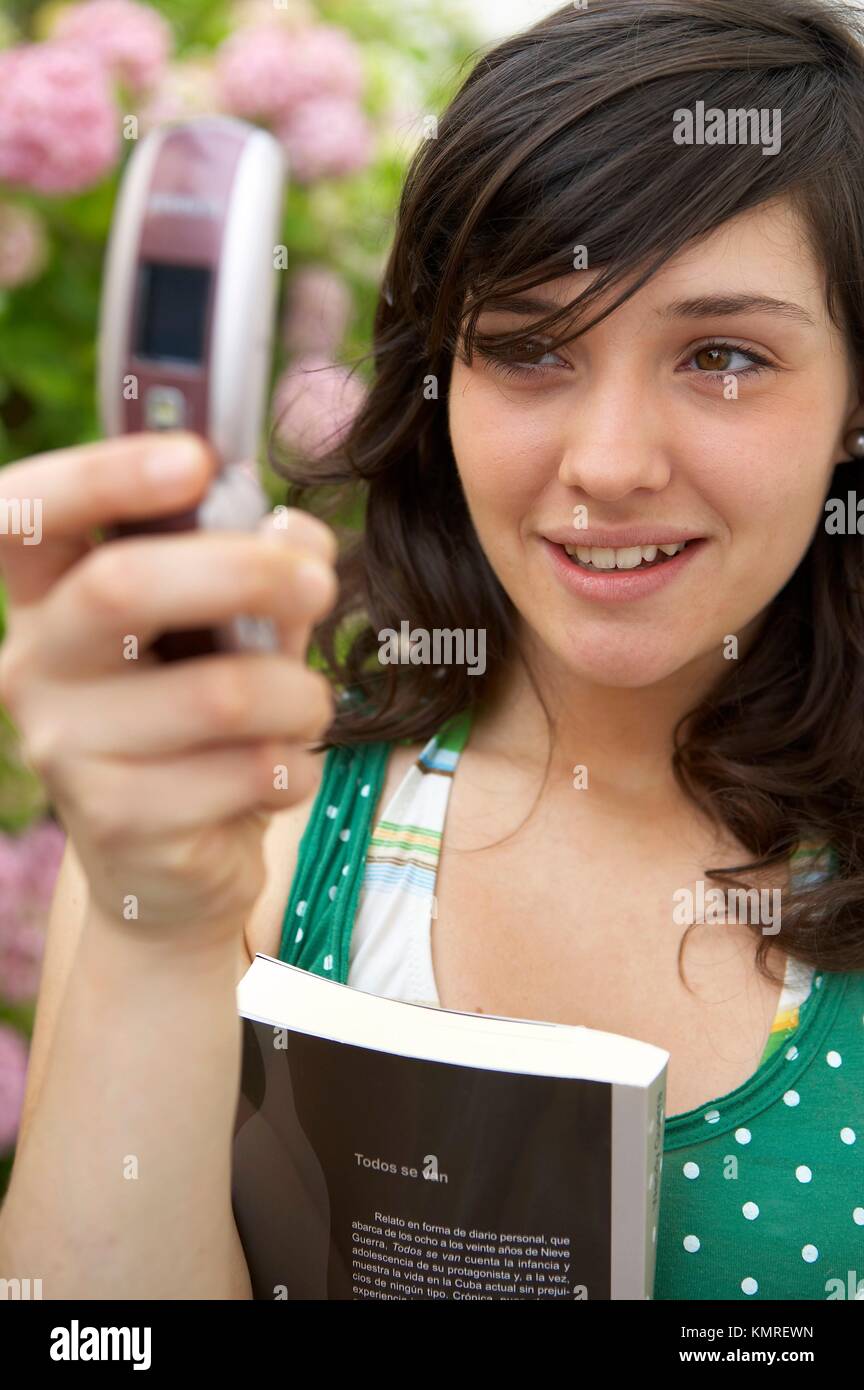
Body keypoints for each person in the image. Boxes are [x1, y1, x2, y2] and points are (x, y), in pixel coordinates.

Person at [2, 0, 864, 1301]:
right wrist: (157, 925)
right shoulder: (239, 816)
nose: (609, 464)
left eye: (724, 356)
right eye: (528, 347)